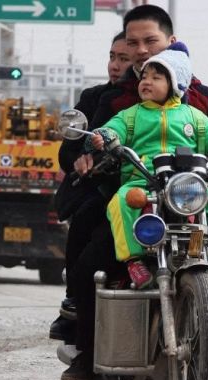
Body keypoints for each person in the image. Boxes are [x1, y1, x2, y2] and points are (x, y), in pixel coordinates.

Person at [62, 4, 208, 380]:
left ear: (171, 44)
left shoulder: (200, 100)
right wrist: (92, 154)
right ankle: (86, 349)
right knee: (89, 259)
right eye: (134, 43)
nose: (142, 52)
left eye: (151, 42)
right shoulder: (113, 100)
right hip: (131, 193)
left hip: (189, 196)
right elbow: (94, 140)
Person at [87, 42, 208, 288]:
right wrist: (106, 135)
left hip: (190, 186)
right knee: (121, 201)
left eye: (156, 77)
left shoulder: (194, 116)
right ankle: (134, 261)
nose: (146, 81)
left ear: (176, 84)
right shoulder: (130, 115)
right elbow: (114, 130)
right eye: (144, 76)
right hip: (143, 182)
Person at [50, 31, 132, 342]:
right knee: (87, 221)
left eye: (123, 58)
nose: (115, 64)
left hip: (172, 193)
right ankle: (76, 307)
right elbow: (70, 149)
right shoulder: (100, 98)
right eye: (113, 56)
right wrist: (83, 157)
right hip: (111, 190)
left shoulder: (193, 98)